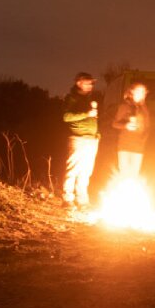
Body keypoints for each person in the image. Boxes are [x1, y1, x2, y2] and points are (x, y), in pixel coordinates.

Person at [61, 72, 99, 208]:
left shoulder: (89, 99)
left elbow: (92, 119)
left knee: (86, 171)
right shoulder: (71, 98)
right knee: (73, 169)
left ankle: (82, 200)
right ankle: (67, 198)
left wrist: (97, 134)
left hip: (91, 139)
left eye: (91, 83)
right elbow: (66, 117)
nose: (90, 85)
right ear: (79, 83)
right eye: (87, 83)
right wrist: (86, 113)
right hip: (78, 138)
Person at [111, 80, 150, 178]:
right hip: (125, 145)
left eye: (143, 91)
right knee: (124, 173)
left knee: (134, 174)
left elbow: (147, 127)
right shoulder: (124, 107)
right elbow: (114, 124)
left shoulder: (144, 109)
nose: (142, 93)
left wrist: (143, 140)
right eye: (139, 91)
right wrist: (125, 125)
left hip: (138, 147)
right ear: (132, 92)